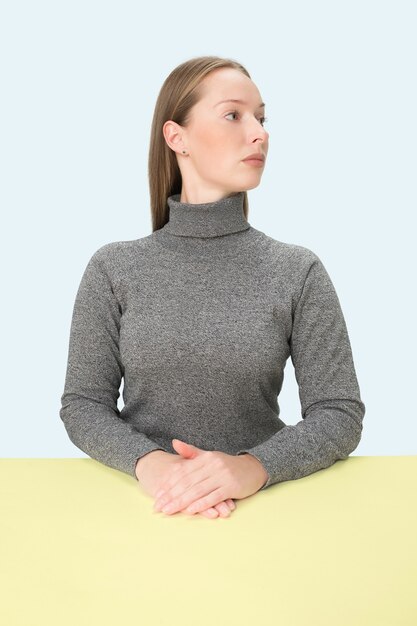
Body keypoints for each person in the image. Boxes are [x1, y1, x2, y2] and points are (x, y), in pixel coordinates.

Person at [60, 55, 365, 520]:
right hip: (138, 512)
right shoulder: (113, 268)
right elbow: (83, 405)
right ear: (175, 137)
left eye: (261, 118)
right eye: (233, 115)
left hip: (266, 514)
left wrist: (253, 467)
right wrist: (152, 465)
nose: (260, 133)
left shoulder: (297, 270)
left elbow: (339, 413)